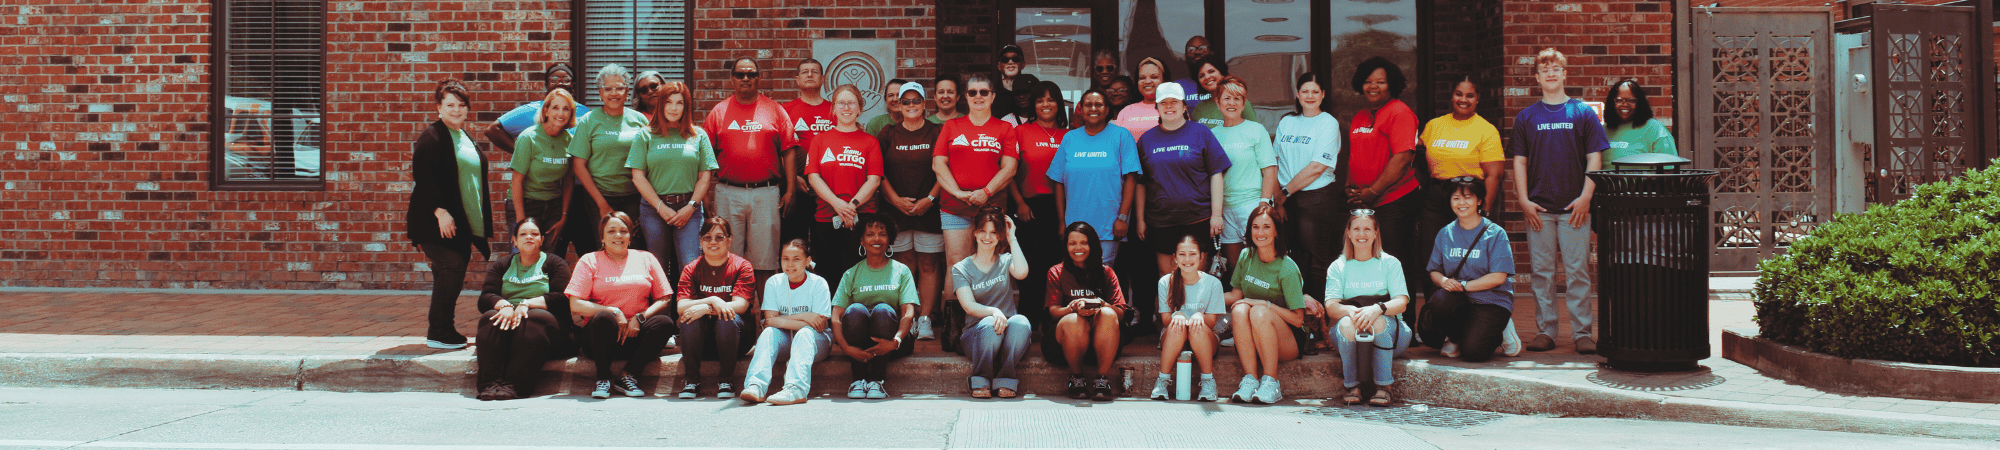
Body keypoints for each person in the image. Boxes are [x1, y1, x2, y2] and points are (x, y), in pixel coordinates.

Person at [1509, 48, 1607, 354]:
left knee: (1578, 272)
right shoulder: (1527, 116)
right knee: (1542, 273)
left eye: (1556, 69)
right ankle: (1546, 331)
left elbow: (1595, 158)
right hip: (1539, 209)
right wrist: (1523, 200)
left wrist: (1586, 197)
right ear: (1537, 77)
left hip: (1574, 209)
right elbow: (1519, 161)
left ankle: (1582, 333)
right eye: (1545, 69)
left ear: (1565, 74)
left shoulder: (1582, 113)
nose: (1550, 73)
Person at [931, 72, 1019, 341]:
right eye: (972, 92)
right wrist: (958, 192)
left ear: (993, 96)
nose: (978, 97)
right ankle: (953, 327)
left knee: (990, 263)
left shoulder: (1004, 129)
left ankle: (991, 320)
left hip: (990, 210)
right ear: (966, 97)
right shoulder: (951, 127)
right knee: (956, 264)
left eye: (984, 92)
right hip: (954, 207)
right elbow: (938, 164)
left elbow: (1010, 167)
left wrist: (986, 192)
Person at [405, 78, 493, 350]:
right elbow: (422, 175)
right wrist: (440, 211)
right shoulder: (432, 136)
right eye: (450, 105)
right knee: (451, 266)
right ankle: (440, 331)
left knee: (450, 270)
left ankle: (442, 328)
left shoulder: (463, 136)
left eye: (461, 105)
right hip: (437, 221)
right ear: (439, 107)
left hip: (460, 221)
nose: (456, 110)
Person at [703, 57, 801, 277]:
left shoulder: (774, 109)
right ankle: (731, 301)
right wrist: (705, 195)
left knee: (765, 261)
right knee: (726, 258)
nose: (745, 78)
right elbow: (705, 156)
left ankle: (763, 302)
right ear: (732, 79)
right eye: (740, 74)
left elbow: (789, 150)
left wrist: (790, 190)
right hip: (728, 192)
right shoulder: (719, 111)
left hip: (766, 193)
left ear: (759, 78)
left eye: (751, 74)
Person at [1345, 57, 1423, 331]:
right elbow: (1355, 155)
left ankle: (1404, 326)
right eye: (1368, 81)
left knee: (1395, 263)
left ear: (1392, 84)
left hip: (1395, 201)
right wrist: (1350, 186)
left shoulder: (1399, 112)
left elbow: (1402, 158)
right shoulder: (1360, 116)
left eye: (1380, 81)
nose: (1373, 86)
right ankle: (1374, 321)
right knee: (1368, 262)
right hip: (1365, 202)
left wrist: (1373, 191)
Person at [564, 211, 678, 399]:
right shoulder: (589, 260)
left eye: (624, 231)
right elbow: (575, 305)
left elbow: (664, 299)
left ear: (630, 236)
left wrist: (639, 318)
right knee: (604, 317)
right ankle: (603, 378)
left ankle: (629, 375)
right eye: (611, 231)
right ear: (602, 237)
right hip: (600, 339)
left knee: (664, 323)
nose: (618, 235)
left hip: (635, 334)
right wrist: (614, 311)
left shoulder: (646, 258)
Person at [1414, 76, 1505, 289]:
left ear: (1478, 98)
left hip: (1469, 197)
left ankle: (1466, 303)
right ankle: (1434, 305)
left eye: (1470, 95)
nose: (1463, 100)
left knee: (1468, 255)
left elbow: (1494, 175)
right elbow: (1418, 162)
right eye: (1459, 94)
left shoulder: (1486, 130)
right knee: (1431, 255)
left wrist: (1484, 211)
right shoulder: (1434, 126)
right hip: (1436, 197)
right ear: (1452, 96)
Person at [1224, 205, 1321, 404]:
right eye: (1255, 227)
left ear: (1277, 232)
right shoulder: (1246, 256)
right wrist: (1199, 299)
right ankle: (1250, 380)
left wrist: (1265, 304)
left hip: (1289, 340)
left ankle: (1271, 382)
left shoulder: (1287, 267)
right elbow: (1235, 296)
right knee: (1239, 309)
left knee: (1258, 312)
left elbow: (1298, 319)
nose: (1260, 233)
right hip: (1256, 334)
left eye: (1266, 227)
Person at [875, 83, 948, 345]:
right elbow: (877, 172)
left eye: (916, 100)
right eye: (905, 101)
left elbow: (944, 168)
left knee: (928, 264)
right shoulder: (888, 133)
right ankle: (910, 315)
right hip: (897, 210)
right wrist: (895, 200)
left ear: (924, 104)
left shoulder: (936, 131)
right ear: (898, 105)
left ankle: (925, 318)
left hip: (929, 208)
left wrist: (930, 199)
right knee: (905, 264)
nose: (911, 105)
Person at [1134, 82, 1230, 280]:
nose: (1169, 106)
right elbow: (1141, 183)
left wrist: (1216, 215)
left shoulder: (1201, 133)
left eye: (1174, 102)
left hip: (1198, 218)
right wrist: (1140, 220)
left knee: (1197, 276)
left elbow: (1216, 173)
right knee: (1166, 276)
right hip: (1161, 221)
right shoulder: (1146, 140)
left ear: (1184, 106)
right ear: (1157, 107)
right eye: (1164, 102)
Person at [1419, 178, 1519, 362]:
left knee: (1473, 352)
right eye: (1456, 198)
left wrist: (1464, 286)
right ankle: (1456, 336)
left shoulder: (1495, 233)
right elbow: (1434, 270)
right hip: (1461, 300)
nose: (1461, 203)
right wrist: (1443, 281)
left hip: (1491, 301)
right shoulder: (1445, 233)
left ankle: (1502, 329)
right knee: (1438, 305)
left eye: (1467, 197)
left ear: (1479, 200)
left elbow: (1499, 277)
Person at [474, 218, 576, 400]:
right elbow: (485, 297)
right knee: (490, 317)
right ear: (514, 240)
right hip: (510, 329)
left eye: (534, 234)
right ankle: (488, 385)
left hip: (547, 334)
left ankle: (516, 385)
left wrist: (526, 304)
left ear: (542, 240)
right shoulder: (502, 265)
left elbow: (562, 298)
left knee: (534, 317)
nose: (529, 237)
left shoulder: (554, 263)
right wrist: (505, 305)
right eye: (523, 234)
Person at [1323, 211, 1413, 407]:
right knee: (1346, 324)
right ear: (1348, 232)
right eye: (1356, 229)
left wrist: (1377, 309)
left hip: (1391, 334)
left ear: (1375, 232)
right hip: (1351, 334)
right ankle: (1352, 386)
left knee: (1377, 321)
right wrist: (1351, 312)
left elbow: (1402, 302)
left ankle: (1384, 386)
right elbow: (1331, 307)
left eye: (1367, 229)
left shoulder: (1390, 263)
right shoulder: (1338, 267)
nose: (1361, 234)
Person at [629, 81, 716, 276]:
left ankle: (686, 299)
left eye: (679, 103)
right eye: (668, 102)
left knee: (689, 264)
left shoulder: (698, 135)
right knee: (658, 267)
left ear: (686, 106)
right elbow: (638, 177)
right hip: (654, 209)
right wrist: (661, 207)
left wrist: (691, 207)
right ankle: (662, 299)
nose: (673, 108)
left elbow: (705, 177)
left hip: (689, 208)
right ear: (661, 104)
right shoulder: (645, 135)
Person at [1272, 72, 1346, 301]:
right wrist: (1278, 199)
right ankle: (1298, 310)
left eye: (1315, 91)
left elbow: (1317, 167)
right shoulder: (1287, 121)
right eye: (1305, 91)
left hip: (1316, 199)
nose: (1310, 96)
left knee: (1316, 261)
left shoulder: (1328, 123)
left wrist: (1284, 193)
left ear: (1323, 94)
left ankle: (1319, 313)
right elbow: (1274, 161)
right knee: (1292, 258)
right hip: (1286, 199)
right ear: (1297, 94)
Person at [831, 215, 922, 399]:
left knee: (883, 310)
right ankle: (858, 380)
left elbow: (908, 313)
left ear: (890, 240)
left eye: (882, 234)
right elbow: (836, 316)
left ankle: (876, 381)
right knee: (855, 310)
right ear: (862, 240)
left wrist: (895, 341)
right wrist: (846, 348)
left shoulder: (901, 271)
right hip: (858, 343)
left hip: (894, 342)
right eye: (870, 234)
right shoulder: (851, 273)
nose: (876, 239)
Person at [568, 64, 652, 259]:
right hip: (600, 194)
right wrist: (601, 204)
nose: (614, 93)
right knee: (606, 247)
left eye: (619, 88)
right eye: (608, 88)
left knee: (634, 247)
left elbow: (651, 161)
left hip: (634, 196)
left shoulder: (639, 120)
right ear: (600, 93)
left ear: (627, 92)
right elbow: (578, 165)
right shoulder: (589, 120)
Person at [804, 85, 885, 287]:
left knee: (859, 275)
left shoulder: (870, 142)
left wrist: (852, 206)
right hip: (826, 217)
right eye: (841, 103)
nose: (846, 108)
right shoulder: (819, 140)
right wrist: (837, 204)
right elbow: (813, 177)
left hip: (862, 218)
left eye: (851, 103)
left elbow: (874, 180)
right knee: (827, 276)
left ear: (860, 108)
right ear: (833, 108)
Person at [1048, 89, 1141, 265]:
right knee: (1076, 273)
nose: (1093, 108)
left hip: (1108, 226)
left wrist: (1122, 218)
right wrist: (1061, 221)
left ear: (1107, 110)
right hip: (1075, 227)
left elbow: (1131, 179)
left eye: (1098, 104)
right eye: (1088, 105)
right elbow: (1058, 181)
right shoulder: (1070, 138)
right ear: (1081, 110)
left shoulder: (1122, 136)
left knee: (1102, 273)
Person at [739, 238, 833, 405]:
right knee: (769, 333)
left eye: (796, 259)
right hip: (785, 341)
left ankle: (796, 389)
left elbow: (818, 324)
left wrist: (779, 320)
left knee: (805, 333)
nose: (790, 264)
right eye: (785, 259)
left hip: (816, 342)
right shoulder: (774, 282)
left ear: (808, 261)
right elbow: (769, 322)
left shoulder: (819, 284)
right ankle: (756, 386)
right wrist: (806, 316)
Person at [673, 216, 758, 399]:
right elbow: (681, 306)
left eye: (719, 237)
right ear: (700, 241)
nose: (713, 242)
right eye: (707, 237)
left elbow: (741, 305)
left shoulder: (742, 266)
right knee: (689, 318)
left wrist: (706, 308)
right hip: (702, 341)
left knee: (726, 317)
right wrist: (712, 300)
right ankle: (691, 381)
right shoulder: (691, 268)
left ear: (729, 240)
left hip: (737, 339)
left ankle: (726, 380)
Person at [953, 211, 1033, 399]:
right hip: (977, 334)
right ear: (975, 233)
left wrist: (1012, 238)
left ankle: (1006, 379)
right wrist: (994, 312)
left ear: (1000, 236)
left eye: (994, 232)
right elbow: (968, 306)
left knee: (1021, 322)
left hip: (1008, 334)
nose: (987, 237)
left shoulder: (1006, 260)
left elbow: (1022, 272)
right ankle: (980, 380)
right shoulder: (961, 268)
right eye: (982, 231)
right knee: (990, 324)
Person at [1045, 222, 1128, 401]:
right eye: (1072, 243)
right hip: (1066, 344)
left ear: (1093, 245)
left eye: (1084, 242)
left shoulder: (1107, 272)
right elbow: (1053, 312)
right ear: (1066, 246)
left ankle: (1102, 379)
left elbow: (1121, 313)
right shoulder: (1056, 271)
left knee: (1109, 314)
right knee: (1073, 320)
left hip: (1102, 344)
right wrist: (1072, 308)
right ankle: (1077, 378)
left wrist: (1101, 304)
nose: (1078, 248)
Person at [1207, 76, 1278, 275]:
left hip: (1252, 206)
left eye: (1237, 98)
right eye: (1227, 98)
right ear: (1217, 102)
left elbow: (1269, 169)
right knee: (1235, 268)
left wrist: (1264, 204)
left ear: (1244, 102)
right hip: (1225, 210)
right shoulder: (1212, 135)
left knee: (1261, 264)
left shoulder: (1256, 130)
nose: (1232, 103)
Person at [1010, 80, 1068, 325]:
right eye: (1040, 100)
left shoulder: (1070, 135)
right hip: (1030, 207)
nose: (1046, 104)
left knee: (1057, 266)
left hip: (1063, 208)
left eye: (1051, 99)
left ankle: (1053, 321)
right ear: (1033, 105)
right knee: (1031, 267)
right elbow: (1008, 172)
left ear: (1059, 104)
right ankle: (1028, 322)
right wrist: (1019, 203)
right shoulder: (1020, 132)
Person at [1150, 235, 1225, 402]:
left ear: (1201, 256)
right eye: (1182, 254)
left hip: (1204, 339)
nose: (1187, 259)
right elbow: (1165, 320)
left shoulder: (1213, 283)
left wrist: (1199, 316)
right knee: (1176, 325)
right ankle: (1162, 380)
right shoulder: (1166, 282)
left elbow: (1212, 321)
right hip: (1174, 337)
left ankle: (1208, 382)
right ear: (1175, 258)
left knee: (1198, 327)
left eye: (1192, 254)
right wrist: (1177, 315)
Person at [507, 88, 579, 257]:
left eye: (566, 109)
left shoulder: (569, 141)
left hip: (554, 205)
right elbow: (516, 181)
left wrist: (563, 216)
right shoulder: (528, 138)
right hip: (526, 203)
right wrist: (521, 223)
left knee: (548, 258)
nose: (560, 113)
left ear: (571, 113)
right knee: (523, 255)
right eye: (555, 107)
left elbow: (568, 180)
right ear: (545, 110)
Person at [782, 59, 836, 248]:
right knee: (794, 242)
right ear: (797, 79)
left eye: (815, 71)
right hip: (798, 187)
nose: (810, 75)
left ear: (823, 79)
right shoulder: (785, 111)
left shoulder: (835, 110)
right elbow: (778, 149)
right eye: (805, 72)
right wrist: (792, 178)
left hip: (829, 188)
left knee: (826, 245)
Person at [486, 63, 591, 154]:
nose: (560, 83)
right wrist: (522, 155)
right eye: (554, 79)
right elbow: (493, 130)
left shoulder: (585, 114)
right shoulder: (533, 110)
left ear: (573, 84)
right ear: (547, 85)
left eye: (566, 79)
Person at [1603, 79, 1679, 170]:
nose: (1625, 104)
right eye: (1619, 100)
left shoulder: (1655, 129)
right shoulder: (1602, 130)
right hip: (1605, 180)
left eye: (1631, 100)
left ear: (1640, 103)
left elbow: (1669, 169)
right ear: (1612, 102)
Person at [1189, 56, 1257, 129]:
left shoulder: (1239, 103)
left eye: (1211, 71)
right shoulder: (1199, 108)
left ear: (1222, 73)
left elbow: (1253, 132)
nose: (1207, 77)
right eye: (1201, 76)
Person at [1114, 58, 1168, 141]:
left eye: (1154, 77)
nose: (1147, 81)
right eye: (1142, 78)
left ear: (1164, 80)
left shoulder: (1173, 108)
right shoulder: (1126, 111)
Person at [1171, 35, 1214, 108]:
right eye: (1191, 50)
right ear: (1185, 56)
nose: (1197, 52)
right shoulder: (1176, 87)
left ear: (1212, 53)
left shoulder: (1223, 83)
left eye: (1202, 48)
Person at [994, 45, 1025, 120]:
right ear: (999, 66)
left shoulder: (1031, 89)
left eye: (1015, 59)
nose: (1010, 62)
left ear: (1023, 64)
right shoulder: (992, 92)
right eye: (1005, 60)